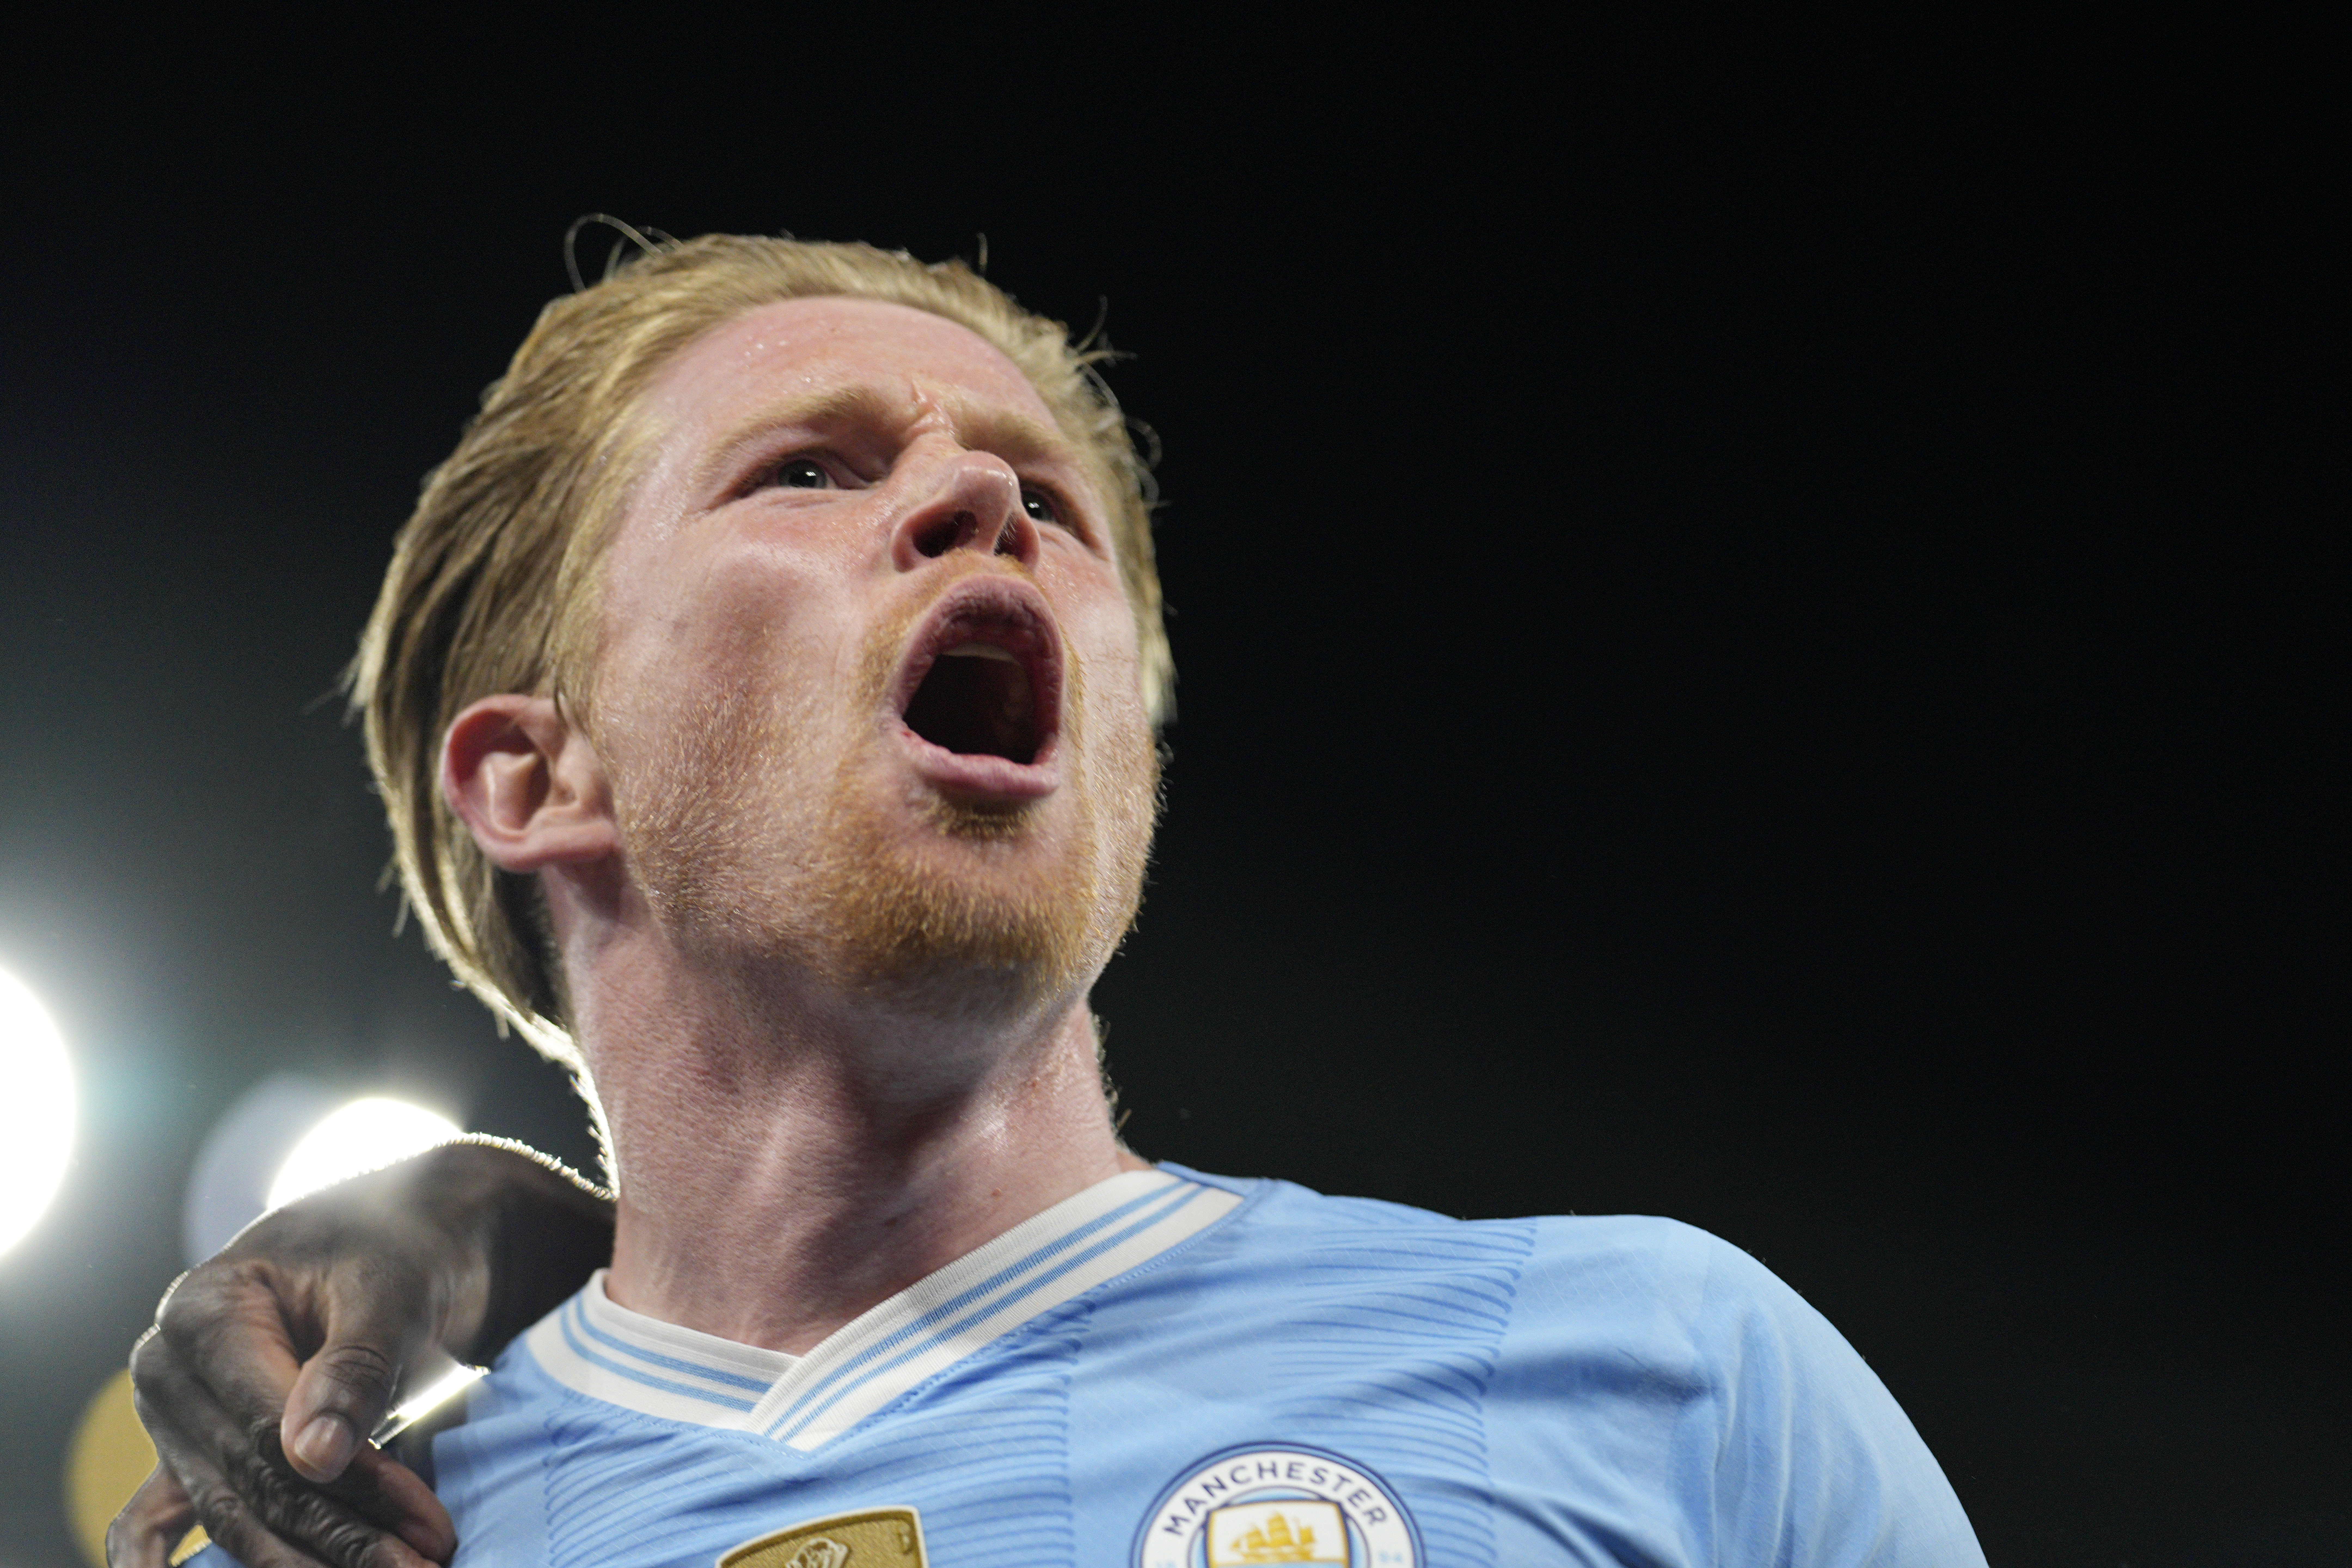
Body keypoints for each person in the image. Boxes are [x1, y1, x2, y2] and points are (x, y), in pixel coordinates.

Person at [112, 233, 1987, 1568]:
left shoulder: (1670, 1384)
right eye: (813, 469)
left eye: (1050, 500)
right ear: (537, 777)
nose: (975, 502)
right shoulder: (332, 1546)